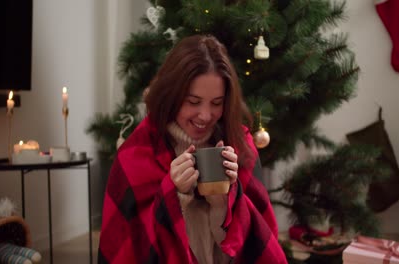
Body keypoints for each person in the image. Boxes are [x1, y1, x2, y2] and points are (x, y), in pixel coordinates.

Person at [98, 34, 287, 264]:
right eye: (193, 102)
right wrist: (175, 195)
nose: (206, 116)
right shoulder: (137, 154)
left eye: (217, 103)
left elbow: (255, 246)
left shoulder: (240, 145)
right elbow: (132, 246)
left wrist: (225, 200)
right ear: (172, 95)